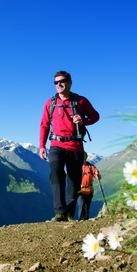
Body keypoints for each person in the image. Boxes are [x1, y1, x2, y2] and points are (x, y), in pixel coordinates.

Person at [39, 71, 99, 222]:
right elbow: (44, 125)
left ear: (70, 82)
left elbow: (95, 116)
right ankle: (60, 212)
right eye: (56, 82)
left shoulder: (81, 101)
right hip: (56, 145)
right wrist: (42, 145)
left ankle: (70, 214)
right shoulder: (50, 103)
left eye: (62, 81)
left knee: (74, 180)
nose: (58, 84)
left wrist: (84, 120)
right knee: (56, 172)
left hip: (75, 146)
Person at [77, 152, 101, 220]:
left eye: (84, 156)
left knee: (87, 208)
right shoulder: (77, 167)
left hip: (89, 190)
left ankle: (85, 222)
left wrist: (97, 174)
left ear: (86, 157)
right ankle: (80, 222)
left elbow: (98, 177)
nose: (83, 158)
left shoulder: (91, 166)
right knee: (81, 206)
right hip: (80, 190)